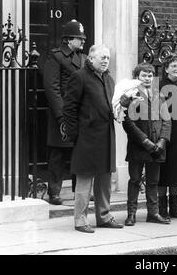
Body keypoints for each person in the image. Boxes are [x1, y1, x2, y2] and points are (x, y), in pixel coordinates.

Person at [62, 44, 123, 233]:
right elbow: (69, 108)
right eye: (102, 57)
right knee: (84, 179)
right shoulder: (79, 77)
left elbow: (113, 105)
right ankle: (80, 220)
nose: (106, 60)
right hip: (86, 137)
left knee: (105, 178)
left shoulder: (110, 79)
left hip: (106, 135)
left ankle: (103, 216)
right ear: (90, 58)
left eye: (108, 58)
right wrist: (74, 135)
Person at [43, 19, 87, 205]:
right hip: (61, 115)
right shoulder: (55, 56)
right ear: (69, 39)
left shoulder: (84, 58)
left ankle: (80, 192)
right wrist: (62, 116)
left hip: (80, 113)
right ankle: (54, 192)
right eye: (80, 38)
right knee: (58, 155)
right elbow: (52, 88)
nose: (83, 41)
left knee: (80, 152)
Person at [122, 63, 172, 226]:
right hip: (138, 145)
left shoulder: (159, 95)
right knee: (135, 180)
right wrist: (145, 141)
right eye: (144, 75)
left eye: (150, 75)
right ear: (137, 77)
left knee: (153, 181)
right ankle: (131, 214)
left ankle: (153, 213)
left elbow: (167, 120)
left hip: (157, 146)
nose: (147, 78)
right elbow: (127, 122)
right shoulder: (131, 95)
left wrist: (162, 141)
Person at [158, 53, 177, 219]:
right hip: (164, 135)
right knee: (163, 172)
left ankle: (174, 208)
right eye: (174, 66)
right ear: (166, 68)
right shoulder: (160, 87)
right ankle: (162, 208)